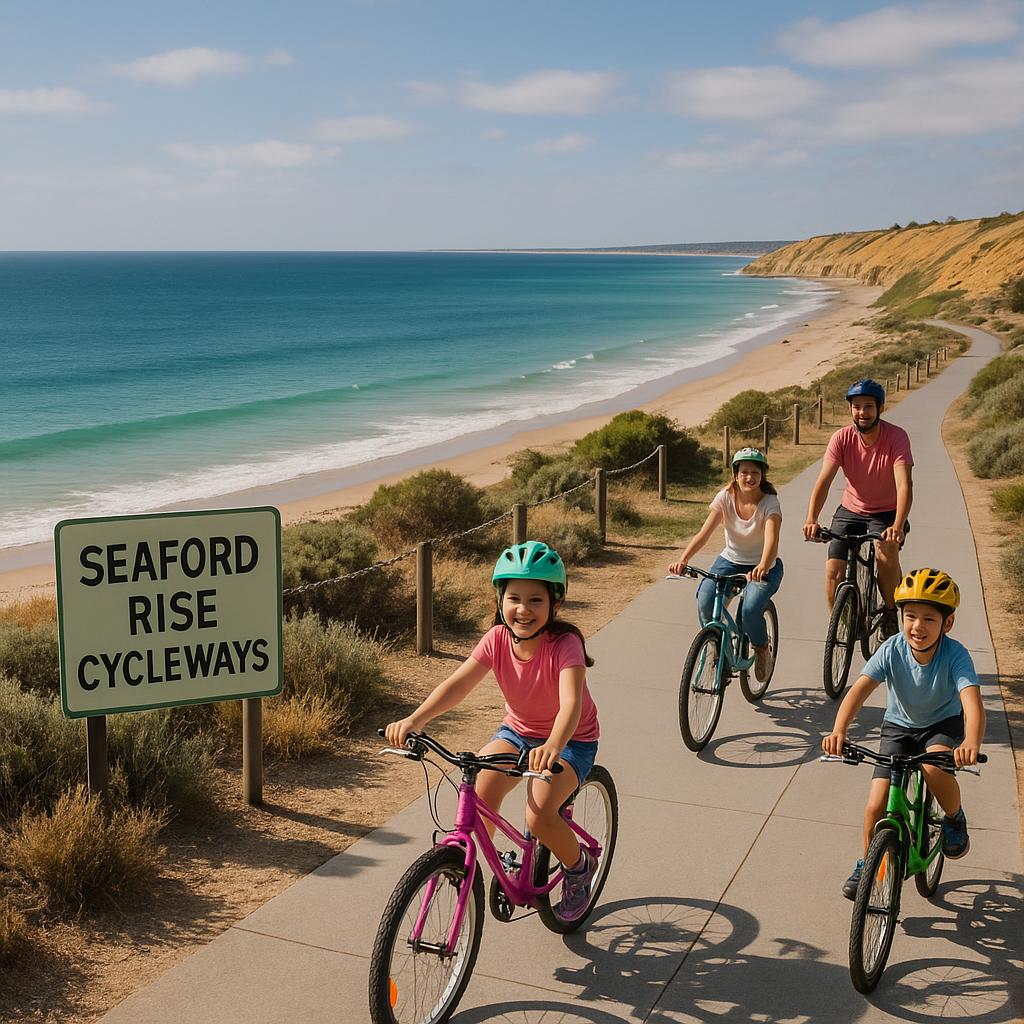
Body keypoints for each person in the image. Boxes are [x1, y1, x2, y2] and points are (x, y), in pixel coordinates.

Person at [384, 540, 600, 920]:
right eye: (514, 597)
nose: (523, 609)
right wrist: (414, 720)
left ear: (555, 604)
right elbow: (457, 685)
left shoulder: (565, 644)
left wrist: (553, 743)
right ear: (500, 600)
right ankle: (478, 865)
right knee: (478, 793)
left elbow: (571, 704)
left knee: (538, 816)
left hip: (569, 742)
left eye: (536, 600)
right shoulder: (497, 639)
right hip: (517, 732)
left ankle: (579, 868)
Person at [821, 568, 984, 899]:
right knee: (874, 806)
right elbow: (858, 691)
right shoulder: (892, 649)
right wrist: (839, 730)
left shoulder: (956, 656)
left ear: (947, 624)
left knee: (933, 767)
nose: (917, 626)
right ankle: (869, 864)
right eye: (910, 616)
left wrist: (971, 742)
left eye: (928, 619)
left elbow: (972, 703)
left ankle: (954, 817)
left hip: (941, 725)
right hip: (898, 725)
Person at [802, 379, 913, 639]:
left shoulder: (896, 437)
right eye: (857, 407)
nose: (862, 412)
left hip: (886, 511)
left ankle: (888, 612)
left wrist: (897, 526)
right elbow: (824, 481)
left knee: (885, 554)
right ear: (851, 409)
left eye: (869, 407)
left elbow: (904, 485)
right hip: (851, 509)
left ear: (880, 409)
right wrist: (811, 519)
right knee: (833, 571)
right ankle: (845, 623)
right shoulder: (841, 438)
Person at [668, 447, 783, 682]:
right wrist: (684, 559)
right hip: (729, 561)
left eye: (755, 472)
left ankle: (761, 649)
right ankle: (720, 647)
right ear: (735, 474)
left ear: (763, 475)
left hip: (763, 567)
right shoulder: (725, 497)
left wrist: (762, 566)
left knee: (750, 610)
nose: (749, 477)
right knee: (705, 602)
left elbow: (772, 540)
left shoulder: (770, 502)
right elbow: (704, 533)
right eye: (744, 472)